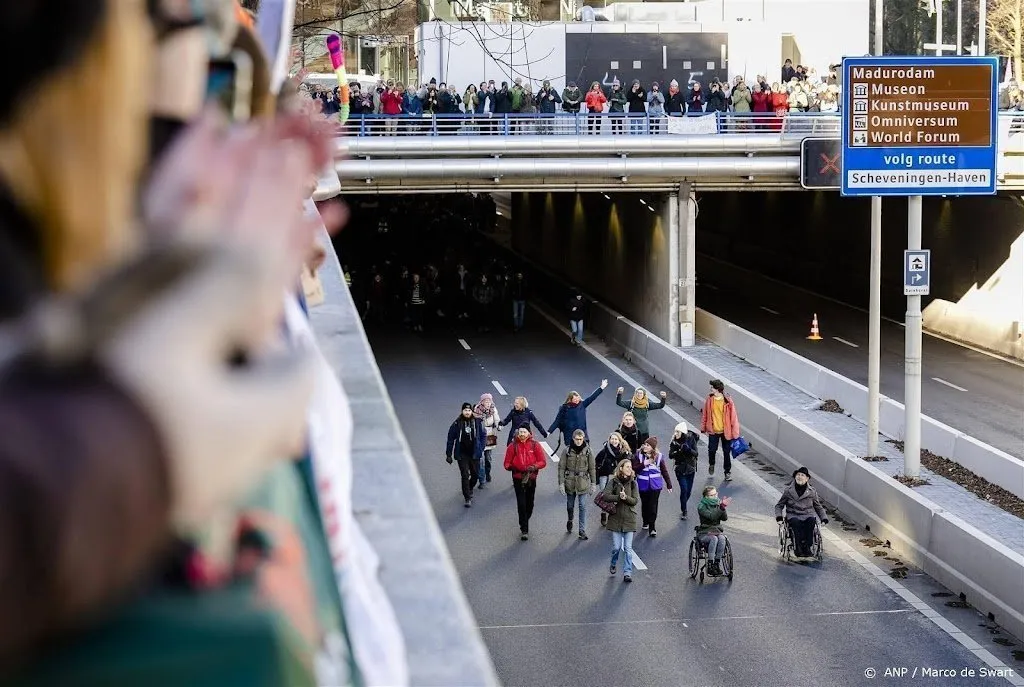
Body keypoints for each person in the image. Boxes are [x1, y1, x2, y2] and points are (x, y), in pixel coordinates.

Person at [503, 425, 548, 540]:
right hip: (518, 477)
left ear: (529, 433)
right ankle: (524, 529)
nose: (522, 434)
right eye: (520, 431)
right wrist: (511, 467)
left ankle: (525, 519)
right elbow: (506, 463)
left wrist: (534, 467)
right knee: (521, 503)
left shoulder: (535, 445)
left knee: (530, 503)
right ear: (518, 433)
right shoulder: (512, 446)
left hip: (531, 477)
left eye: (524, 432)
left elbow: (542, 461)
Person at [775, 467, 828, 557]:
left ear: (807, 478)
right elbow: (779, 505)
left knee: (811, 521)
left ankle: (807, 546)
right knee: (796, 523)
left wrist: (824, 518)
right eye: (798, 475)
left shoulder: (812, 492)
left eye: (802, 475)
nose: (799, 477)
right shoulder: (788, 490)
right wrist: (779, 517)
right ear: (795, 477)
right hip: (793, 515)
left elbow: (818, 507)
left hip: (807, 515)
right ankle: (797, 547)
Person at [603, 459, 639, 583]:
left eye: (630, 467)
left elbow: (635, 500)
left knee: (628, 548)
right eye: (627, 467)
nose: (630, 469)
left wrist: (626, 498)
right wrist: (619, 497)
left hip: (629, 519)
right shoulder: (613, 482)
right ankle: (613, 563)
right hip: (616, 519)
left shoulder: (633, 483)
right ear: (621, 468)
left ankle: (627, 572)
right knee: (617, 547)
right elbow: (605, 496)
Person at [558, 429, 597, 540]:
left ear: (583, 438)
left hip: (583, 482)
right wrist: (561, 483)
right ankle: (570, 519)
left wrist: (593, 483)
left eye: (581, 439)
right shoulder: (567, 451)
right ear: (573, 439)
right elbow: (561, 468)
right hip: (570, 482)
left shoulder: (588, 451)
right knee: (570, 506)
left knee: (582, 506)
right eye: (577, 439)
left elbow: (592, 468)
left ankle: (582, 530)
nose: (579, 441)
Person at [445, 402, 485, 507]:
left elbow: (483, 435)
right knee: (465, 475)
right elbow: (450, 439)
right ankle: (467, 498)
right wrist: (448, 454)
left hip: (474, 453)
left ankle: (470, 488)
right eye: (465, 410)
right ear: (462, 411)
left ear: (472, 411)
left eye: (469, 410)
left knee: (475, 475)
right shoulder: (457, 423)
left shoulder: (477, 422)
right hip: (462, 454)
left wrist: (481, 447)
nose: (467, 412)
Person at [631, 437, 672, 537]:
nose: (645, 446)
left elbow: (664, 471)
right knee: (645, 504)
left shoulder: (659, 456)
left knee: (653, 506)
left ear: (653, 447)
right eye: (645, 444)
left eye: (648, 445)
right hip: (643, 485)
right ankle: (645, 521)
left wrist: (669, 484)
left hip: (655, 486)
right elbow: (634, 469)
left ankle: (652, 527)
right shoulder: (638, 455)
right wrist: (644, 464)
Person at [700, 379, 740, 481]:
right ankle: (712, 464)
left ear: (717, 389)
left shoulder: (727, 401)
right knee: (712, 450)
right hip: (713, 430)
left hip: (726, 432)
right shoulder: (709, 400)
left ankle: (727, 472)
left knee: (726, 452)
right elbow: (705, 414)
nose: (710, 388)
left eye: (712, 387)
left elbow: (734, 417)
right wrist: (703, 427)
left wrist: (735, 433)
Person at [594, 431, 631, 526]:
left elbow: (628, 463)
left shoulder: (623, 452)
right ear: (609, 440)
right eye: (612, 439)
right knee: (605, 495)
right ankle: (604, 512)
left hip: (617, 477)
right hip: (604, 475)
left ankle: (615, 515)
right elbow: (596, 462)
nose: (614, 441)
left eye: (616, 439)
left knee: (617, 495)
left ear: (619, 440)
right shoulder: (604, 451)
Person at [697, 485, 731, 576]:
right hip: (705, 531)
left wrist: (723, 508)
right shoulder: (701, 506)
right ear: (706, 496)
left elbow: (724, 518)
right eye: (712, 495)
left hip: (716, 531)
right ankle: (710, 564)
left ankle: (716, 563)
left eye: (716, 494)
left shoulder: (718, 504)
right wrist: (721, 507)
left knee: (722, 539)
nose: (715, 496)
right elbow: (712, 517)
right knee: (714, 539)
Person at [669, 422, 700, 519]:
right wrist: (679, 451)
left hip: (690, 469)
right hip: (680, 469)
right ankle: (684, 511)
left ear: (682, 432)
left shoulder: (691, 439)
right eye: (675, 431)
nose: (675, 433)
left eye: (678, 432)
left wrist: (688, 450)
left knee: (688, 492)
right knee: (684, 489)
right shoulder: (674, 441)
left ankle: (684, 503)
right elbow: (670, 455)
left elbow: (696, 453)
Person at [473, 393, 501, 487]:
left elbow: (497, 419)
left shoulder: (493, 409)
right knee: (480, 458)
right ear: (482, 402)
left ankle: (487, 472)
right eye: (486, 401)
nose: (488, 403)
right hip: (480, 435)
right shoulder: (477, 409)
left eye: (489, 401)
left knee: (488, 458)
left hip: (490, 434)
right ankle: (482, 479)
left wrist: (499, 426)